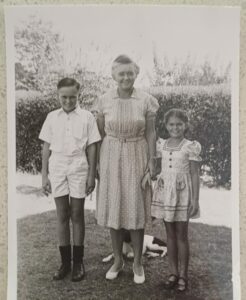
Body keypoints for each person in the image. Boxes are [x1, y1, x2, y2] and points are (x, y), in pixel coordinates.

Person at [96, 55, 159, 284]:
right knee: (114, 207)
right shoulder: (103, 100)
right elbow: (100, 134)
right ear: (114, 75)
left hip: (137, 153)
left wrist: (152, 161)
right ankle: (117, 260)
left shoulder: (146, 100)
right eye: (121, 73)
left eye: (129, 73)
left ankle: (138, 263)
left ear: (136, 74)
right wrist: (97, 164)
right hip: (111, 155)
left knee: (135, 207)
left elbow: (151, 133)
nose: (125, 77)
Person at [39, 78, 101, 282]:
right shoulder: (51, 117)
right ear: (58, 95)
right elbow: (46, 148)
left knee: (77, 213)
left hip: (78, 166)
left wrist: (92, 174)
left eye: (72, 97)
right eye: (64, 97)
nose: (68, 101)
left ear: (78, 95)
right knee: (62, 214)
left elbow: (92, 146)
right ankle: (65, 263)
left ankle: (78, 263)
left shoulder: (86, 117)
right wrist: (44, 176)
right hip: (57, 166)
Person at [150, 108, 201, 292]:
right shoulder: (161, 144)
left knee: (182, 235)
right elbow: (156, 168)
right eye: (171, 124)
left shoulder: (190, 146)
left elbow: (195, 174)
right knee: (169, 234)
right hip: (165, 194)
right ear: (166, 125)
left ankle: (183, 274)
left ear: (185, 125)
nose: (175, 127)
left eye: (179, 124)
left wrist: (195, 199)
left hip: (182, 195)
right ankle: (172, 272)